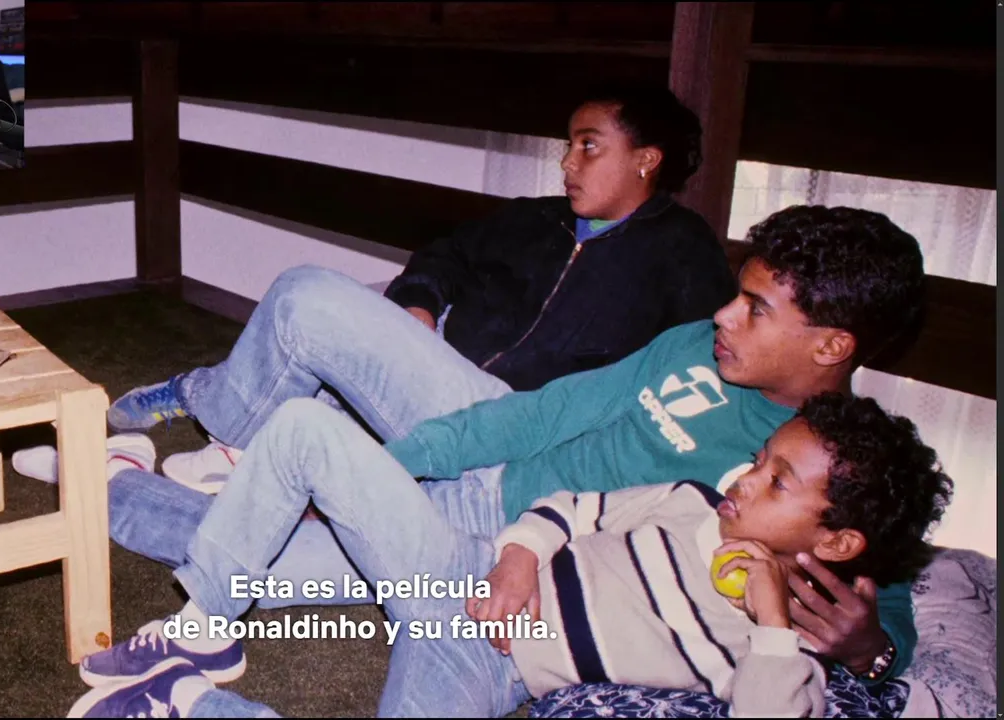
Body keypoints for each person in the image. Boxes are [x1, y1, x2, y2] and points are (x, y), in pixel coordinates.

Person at [54, 204, 930, 687]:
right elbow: (547, 412)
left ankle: (97, 479)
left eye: (756, 309)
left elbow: (883, 610)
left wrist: (870, 649)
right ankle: (236, 446)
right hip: (498, 451)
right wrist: (389, 468)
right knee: (311, 296)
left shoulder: (834, 467)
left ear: (831, 345)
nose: (724, 315)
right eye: (737, 294)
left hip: (503, 556)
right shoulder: (695, 347)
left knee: (238, 558)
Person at [64, 392, 952, 718]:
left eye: (776, 481)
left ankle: (187, 703)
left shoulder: (783, 650)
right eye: (759, 460)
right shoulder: (688, 500)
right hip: (457, 567)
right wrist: (521, 555)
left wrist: (771, 622)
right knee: (304, 429)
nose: (745, 480)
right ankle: (206, 624)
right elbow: (568, 506)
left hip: (491, 666)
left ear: (836, 542)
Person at [99, 84, 735, 490]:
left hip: (515, 421)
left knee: (305, 296)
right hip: (436, 373)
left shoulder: (682, 252)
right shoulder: (536, 218)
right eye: (569, 145)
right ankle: (237, 440)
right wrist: (419, 303)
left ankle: (219, 416)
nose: (567, 162)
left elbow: (702, 374)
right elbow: (445, 255)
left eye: (588, 146)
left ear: (646, 159)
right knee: (326, 348)